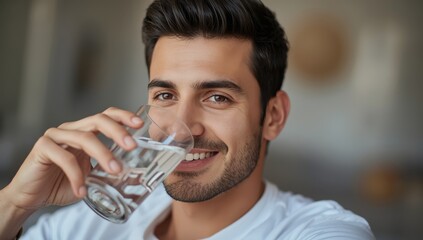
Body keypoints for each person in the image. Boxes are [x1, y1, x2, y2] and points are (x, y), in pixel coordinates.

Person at [0, 0, 375, 239]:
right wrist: (15, 205)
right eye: (165, 95)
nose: (184, 125)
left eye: (217, 97)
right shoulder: (87, 223)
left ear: (273, 116)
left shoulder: (319, 231)